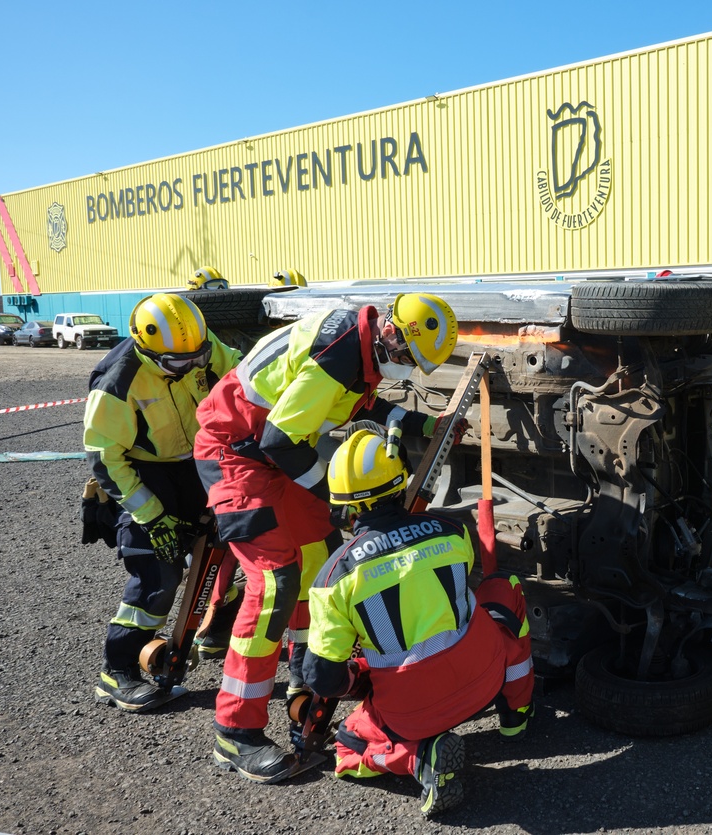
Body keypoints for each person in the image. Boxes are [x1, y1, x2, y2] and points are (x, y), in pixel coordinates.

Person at [194, 292, 461, 783]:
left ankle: (305, 679)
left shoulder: (363, 348)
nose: (404, 367)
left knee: (320, 559)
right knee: (274, 584)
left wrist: (427, 424)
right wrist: (335, 500)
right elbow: (279, 439)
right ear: (390, 331)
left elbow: (362, 405)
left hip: (273, 452)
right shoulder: (339, 349)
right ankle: (236, 731)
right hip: (235, 454)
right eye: (405, 356)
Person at [304, 429, 534, 815]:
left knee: (348, 746)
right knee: (503, 590)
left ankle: (420, 756)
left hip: (412, 713)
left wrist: (358, 679)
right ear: (402, 483)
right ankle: (516, 717)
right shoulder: (453, 531)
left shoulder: (333, 578)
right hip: (485, 679)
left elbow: (323, 678)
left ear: (343, 505)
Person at [85, 294, 243, 710]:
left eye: (199, 358)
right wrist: (152, 517)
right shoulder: (117, 382)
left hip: (198, 457)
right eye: (178, 364)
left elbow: (242, 373)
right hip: (143, 470)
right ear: (147, 348)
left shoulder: (196, 345)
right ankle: (117, 670)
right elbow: (106, 458)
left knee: (229, 540)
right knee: (159, 572)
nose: (193, 367)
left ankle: (213, 629)